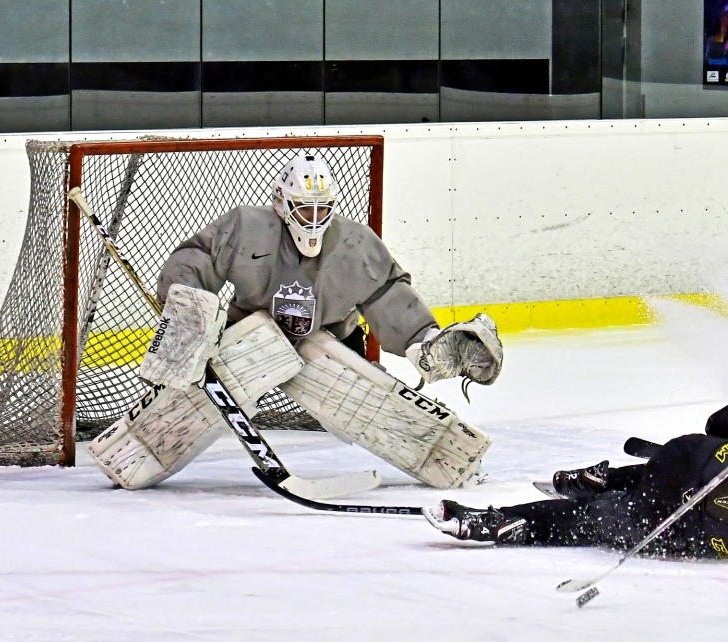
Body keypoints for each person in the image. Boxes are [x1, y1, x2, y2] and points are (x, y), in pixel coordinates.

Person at [89, 155, 503, 492]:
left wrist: (423, 340)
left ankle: (449, 457)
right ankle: (131, 452)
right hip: (249, 336)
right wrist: (187, 304)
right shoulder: (246, 227)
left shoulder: (354, 242)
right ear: (281, 203)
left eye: (323, 208)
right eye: (305, 208)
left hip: (329, 343)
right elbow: (196, 258)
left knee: (356, 416)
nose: (314, 218)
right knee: (219, 385)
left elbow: (388, 295)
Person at [425, 398, 728, 562]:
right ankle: (496, 526)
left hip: (702, 468)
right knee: (597, 522)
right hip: (714, 535)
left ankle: (605, 478)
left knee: (675, 469)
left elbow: (725, 419)